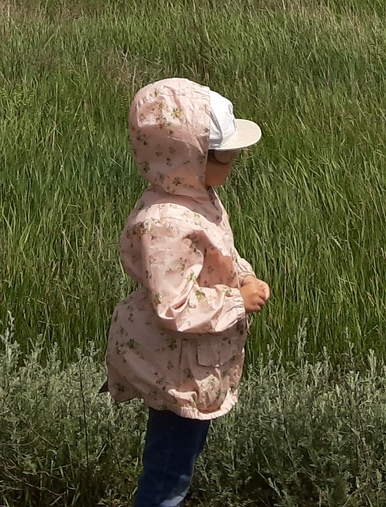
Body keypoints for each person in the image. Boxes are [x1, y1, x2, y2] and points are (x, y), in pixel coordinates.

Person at [106, 78, 271, 507]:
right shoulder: (167, 222)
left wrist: (242, 277)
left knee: (182, 454)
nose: (234, 161)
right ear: (187, 157)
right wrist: (238, 300)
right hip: (177, 366)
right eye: (225, 153)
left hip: (192, 363)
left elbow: (219, 255)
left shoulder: (197, 197)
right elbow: (174, 305)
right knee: (168, 474)